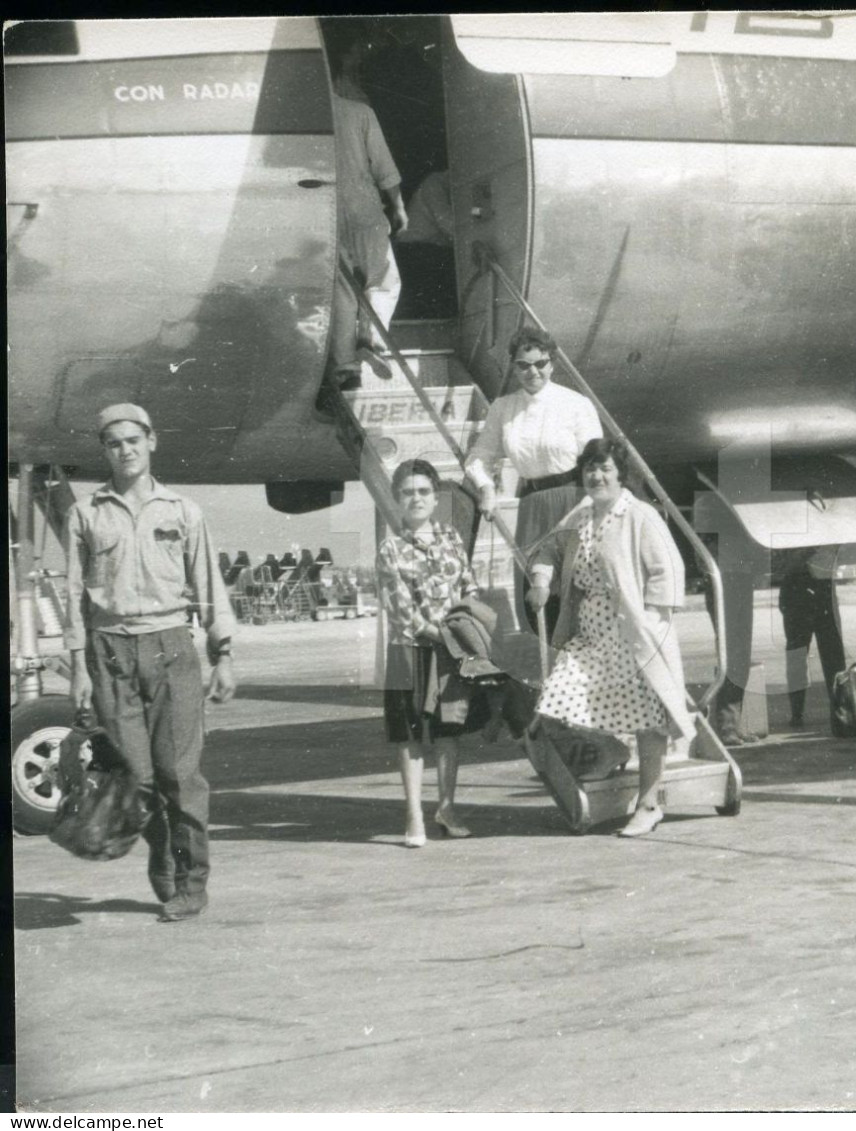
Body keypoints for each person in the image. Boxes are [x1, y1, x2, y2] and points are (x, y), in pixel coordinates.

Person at [64, 403, 237, 922]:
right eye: (113, 443)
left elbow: (209, 586)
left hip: (171, 649)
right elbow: (75, 595)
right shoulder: (86, 514)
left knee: (180, 776)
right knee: (136, 777)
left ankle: (190, 881)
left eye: (133, 440)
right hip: (110, 653)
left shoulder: (182, 511)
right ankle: (162, 855)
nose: (125, 450)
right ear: (105, 450)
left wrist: (223, 654)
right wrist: (76, 667)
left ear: (152, 442)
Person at [528, 439, 695, 837]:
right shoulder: (581, 515)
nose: (596, 476)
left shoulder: (639, 515)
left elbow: (668, 570)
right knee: (556, 699)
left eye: (604, 468)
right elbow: (547, 550)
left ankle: (649, 804)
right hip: (589, 635)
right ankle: (612, 751)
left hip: (633, 635)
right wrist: (540, 580)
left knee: (647, 720)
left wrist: (653, 621)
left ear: (621, 475)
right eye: (589, 468)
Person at [376, 459, 489, 846]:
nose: (416, 499)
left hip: (450, 650)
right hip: (409, 650)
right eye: (408, 492)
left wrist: (468, 626)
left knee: (448, 732)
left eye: (424, 491)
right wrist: (449, 637)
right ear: (396, 498)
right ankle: (413, 818)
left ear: (436, 496)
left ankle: (446, 808)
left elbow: (468, 587)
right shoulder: (389, 549)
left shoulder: (452, 539)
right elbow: (402, 612)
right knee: (409, 735)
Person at [465, 327, 602, 632]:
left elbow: (596, 460)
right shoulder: (503, 407)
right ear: (513, 366)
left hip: (575, 502)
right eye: (523, 365)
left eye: (540, 363)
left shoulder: (576, 403)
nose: (532, 372)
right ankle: (549, 673)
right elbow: (479, 455)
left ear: (552, 363)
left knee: (577, 590)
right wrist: (486, 488)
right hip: (532, 506)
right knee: (536, 594)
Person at [328, 90, 407, 391]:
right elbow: (383, 165)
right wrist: (398, 206)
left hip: (328, 209)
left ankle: (345, 366)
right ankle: (371, 341)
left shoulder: (306, 112)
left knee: (342, 291)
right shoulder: (359, 112)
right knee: (382, 278)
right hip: (363, 206)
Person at [777, 545, 845, 728]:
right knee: (798, 654)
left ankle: (840, 710)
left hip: (824, 585)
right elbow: (784, 563)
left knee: (833, 654)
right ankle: (797, 713)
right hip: (798, 586)